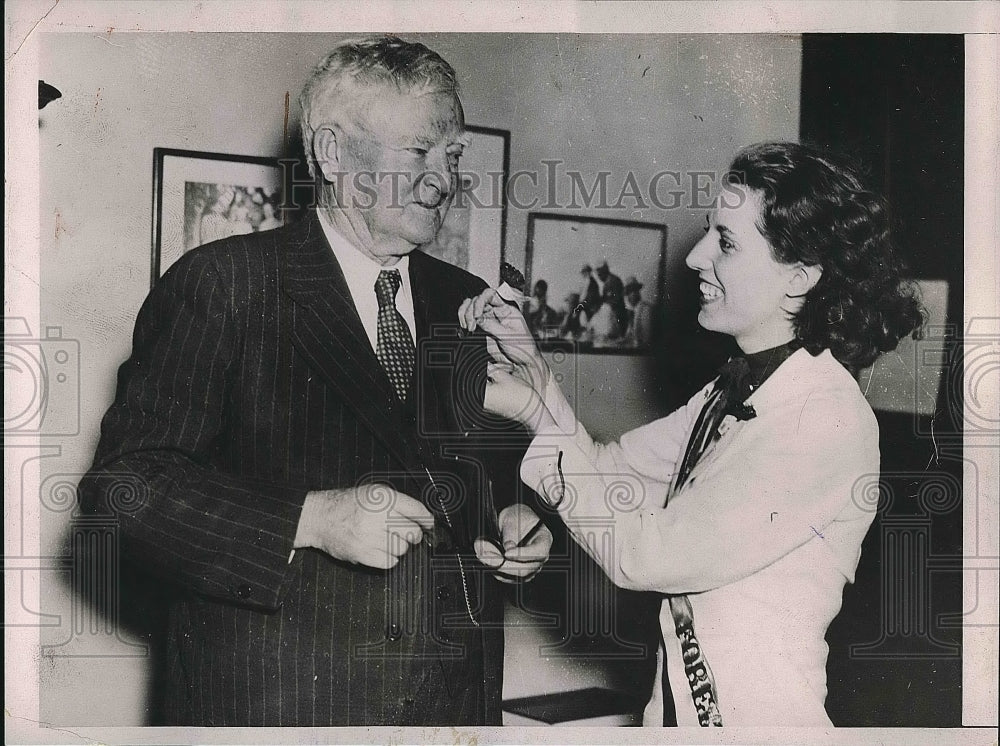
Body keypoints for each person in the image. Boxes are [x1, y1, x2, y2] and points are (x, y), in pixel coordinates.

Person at [78, 36, 552, 727]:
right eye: (418, 152)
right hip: (286, 706)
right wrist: (311, 518)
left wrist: (517, 520)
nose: (444, 180)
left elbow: (479, 475)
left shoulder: (465, 299)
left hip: (451, 709)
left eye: (453, 157)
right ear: (332, 154)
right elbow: (124, 492)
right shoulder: (225, 285)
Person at [459, 141, 924, 726]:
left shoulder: (823, 417)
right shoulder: (734, 391)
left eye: (726, 242)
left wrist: (532, 413)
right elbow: (610, 470)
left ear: (800, 276)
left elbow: (648, 556)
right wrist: (537, 375)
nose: (697, 257)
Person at [623, 276, 655, 348]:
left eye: (633, 291)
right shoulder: (632, 312)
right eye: (627, 293)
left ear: (638, 292)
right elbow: (628, 336)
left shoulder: (646, 310)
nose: (630, 295)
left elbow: (647, 339)